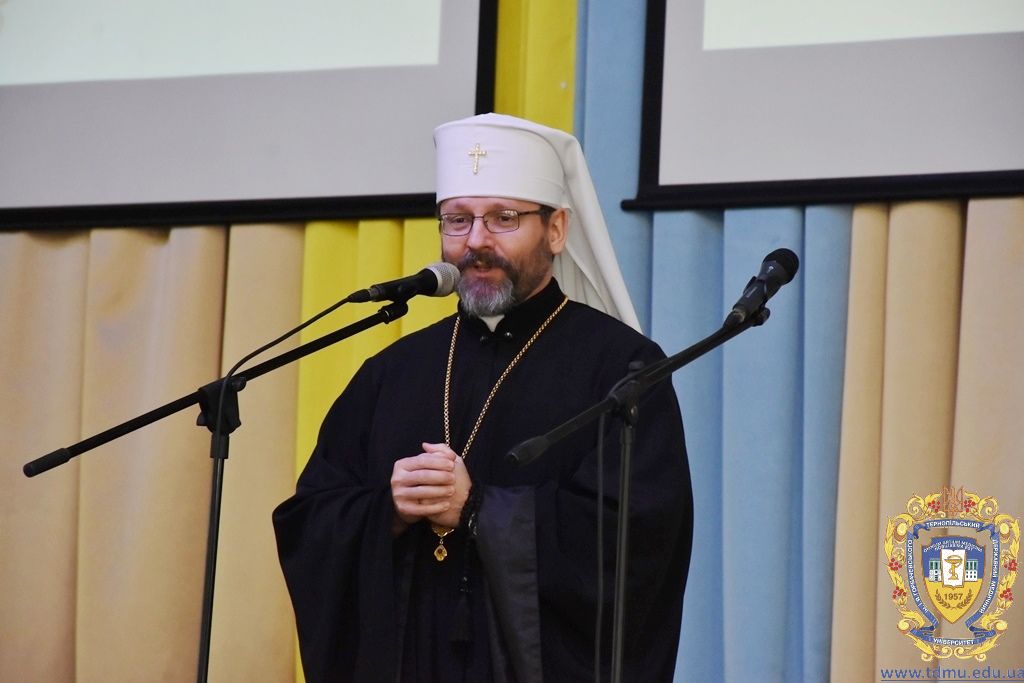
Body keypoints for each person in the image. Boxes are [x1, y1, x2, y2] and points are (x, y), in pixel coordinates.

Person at [273, 113, 693, 682]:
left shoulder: (622, 366)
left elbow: (641, 536)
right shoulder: (392, 371)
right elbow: (310, 520)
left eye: (503, 218)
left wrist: (478, 510)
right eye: (457, 220)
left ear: (556, 230)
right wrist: (387, 512)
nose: (475, 242)